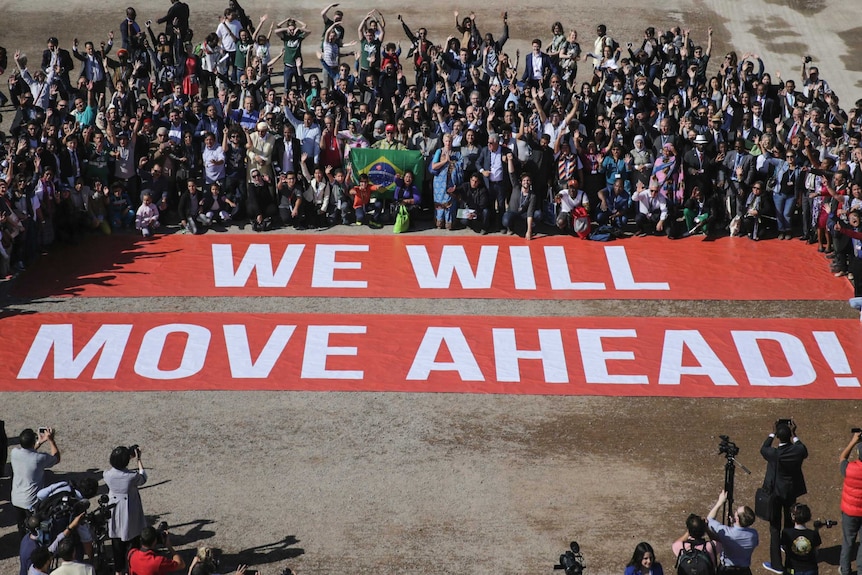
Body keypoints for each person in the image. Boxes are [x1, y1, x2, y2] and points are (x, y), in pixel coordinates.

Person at [761, 420, 808, 574]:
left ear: (778, 438)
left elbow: (764, 448)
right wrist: (794, 434)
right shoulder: (797, 451)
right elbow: (803, 449)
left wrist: (772, 433)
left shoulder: (774, 454)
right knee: (789, 522)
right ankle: (788, 552)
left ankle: (777, 565)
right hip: (790, 491)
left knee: (775, 528)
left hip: (775, 494)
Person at [104, 445, 147, 575]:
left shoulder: (107, 475)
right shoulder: (131, 476)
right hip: (130, 509)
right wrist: (138, 459)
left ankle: (119, 570)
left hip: (115, 509)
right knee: (133, 540)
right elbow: (143, 478)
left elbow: (117, 469)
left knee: (117, 543)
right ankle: (133, 567)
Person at [11, 427, 60, 535]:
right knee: (35, 529)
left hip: (16, 499)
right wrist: (51, 440)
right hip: (31, 502)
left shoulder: (14, 453)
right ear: (33, 441)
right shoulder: (39, 459)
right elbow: (56, 457)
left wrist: (39, 443)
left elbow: (28, 452)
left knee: (21, 527)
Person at [705, 491, 759, 574]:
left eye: (736, 512)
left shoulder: (726, 532)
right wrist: (735, 523)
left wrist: (720, 502)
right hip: (744, 571)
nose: (735, 512)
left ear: (737, 519)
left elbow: (709, 519)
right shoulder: (754, 534)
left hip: (726, 571)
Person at [839, 431, 862, 575]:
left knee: (848, 541)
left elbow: (842, 457)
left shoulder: (850, 468)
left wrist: (853, 441)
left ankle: (845, 570)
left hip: (850, 512)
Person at [780, 503, 821, 575]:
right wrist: (816, 529)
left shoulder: (786, 533)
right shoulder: (813, 534)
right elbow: (816, 551)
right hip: (810, 569)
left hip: (792, 570)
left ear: (793, 517)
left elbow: (784, 547)